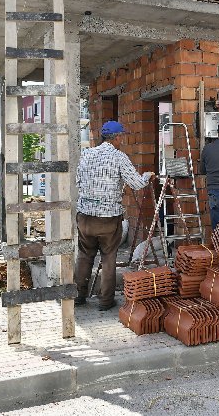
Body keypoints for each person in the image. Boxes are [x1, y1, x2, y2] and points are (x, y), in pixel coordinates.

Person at [75, 121, 154, 310]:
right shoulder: (119, 157)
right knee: (108, 257)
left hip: (85, 216)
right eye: (121, 137)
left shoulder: (86, 154)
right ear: (117, 138)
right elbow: (136, 183)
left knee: (85, 255)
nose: (122, 140)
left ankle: (78, 296)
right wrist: (148, 176)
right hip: (108, 218)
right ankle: (105, 301)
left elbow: (78, 180)